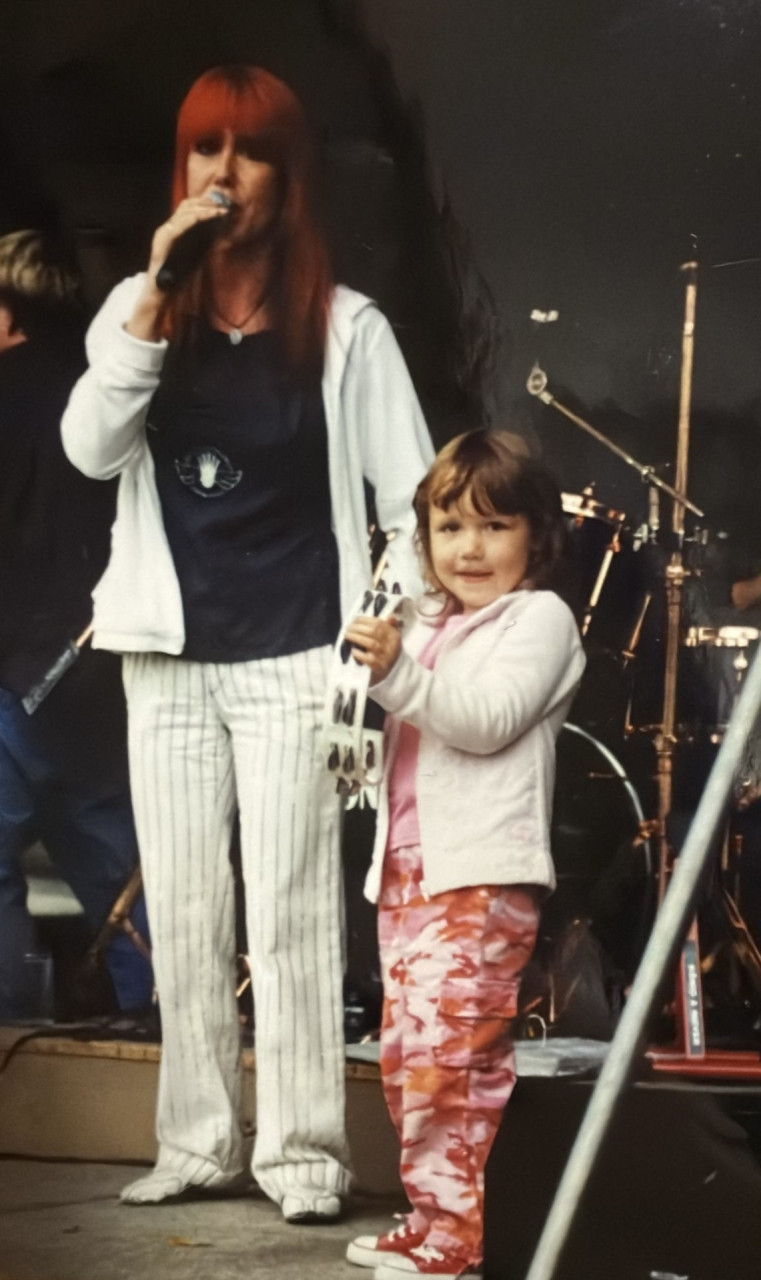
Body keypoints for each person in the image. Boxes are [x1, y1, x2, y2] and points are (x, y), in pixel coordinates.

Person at [61, 65, 433, 1219]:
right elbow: (87, 446)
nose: (225, 173)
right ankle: (196, 1142)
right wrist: (153, 293)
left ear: (289, 171)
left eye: (251, 149)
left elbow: (415, 504)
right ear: (181, 169)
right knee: (182, 905)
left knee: (290, 910)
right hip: (167, 656)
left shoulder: (346, 326)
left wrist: (382, 626)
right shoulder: (138, 308)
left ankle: (303, 1154)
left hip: (294, 650)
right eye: (205, 148)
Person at [343, 429, 586, 1279]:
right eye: (449, 528)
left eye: (493, 526)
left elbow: (484, 721)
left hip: (481, 875)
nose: (469, 549)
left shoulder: (539, 620)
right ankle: (431, 1214)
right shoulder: (427, 623)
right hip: (409, 872)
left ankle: (463, 1234)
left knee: (455, 1060)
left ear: (536, 537)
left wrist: (394, 675)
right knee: (410, 1060)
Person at [0, 228, 152, 1020]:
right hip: (99, 669)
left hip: (14, 674)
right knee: (119, 874)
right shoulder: (104, 392)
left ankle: (14, 1046)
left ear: (6, 314)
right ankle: (160, 1032)